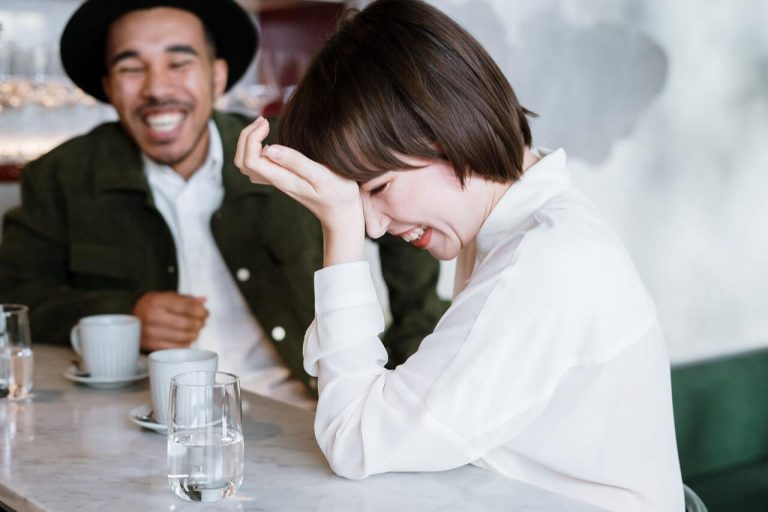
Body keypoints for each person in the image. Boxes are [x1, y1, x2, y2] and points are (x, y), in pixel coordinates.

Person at [235, 0, 684, 509]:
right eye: (356, 202)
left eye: (377, 188)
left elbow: (353, 440)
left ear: (442, 130)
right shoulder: (516, 232)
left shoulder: (544, 264)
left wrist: (339, 228)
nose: (374, 225)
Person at [0, 0, 446, 407]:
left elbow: (404, 239)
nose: (158, 88)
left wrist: (405, 382)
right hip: (149, 426)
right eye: (131, 68)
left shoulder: (296, 150)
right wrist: (126, 310)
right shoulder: (60, 176)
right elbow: (16, 301)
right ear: (108, 87)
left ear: (216, 76)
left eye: (179, 62)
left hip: (306, 414)